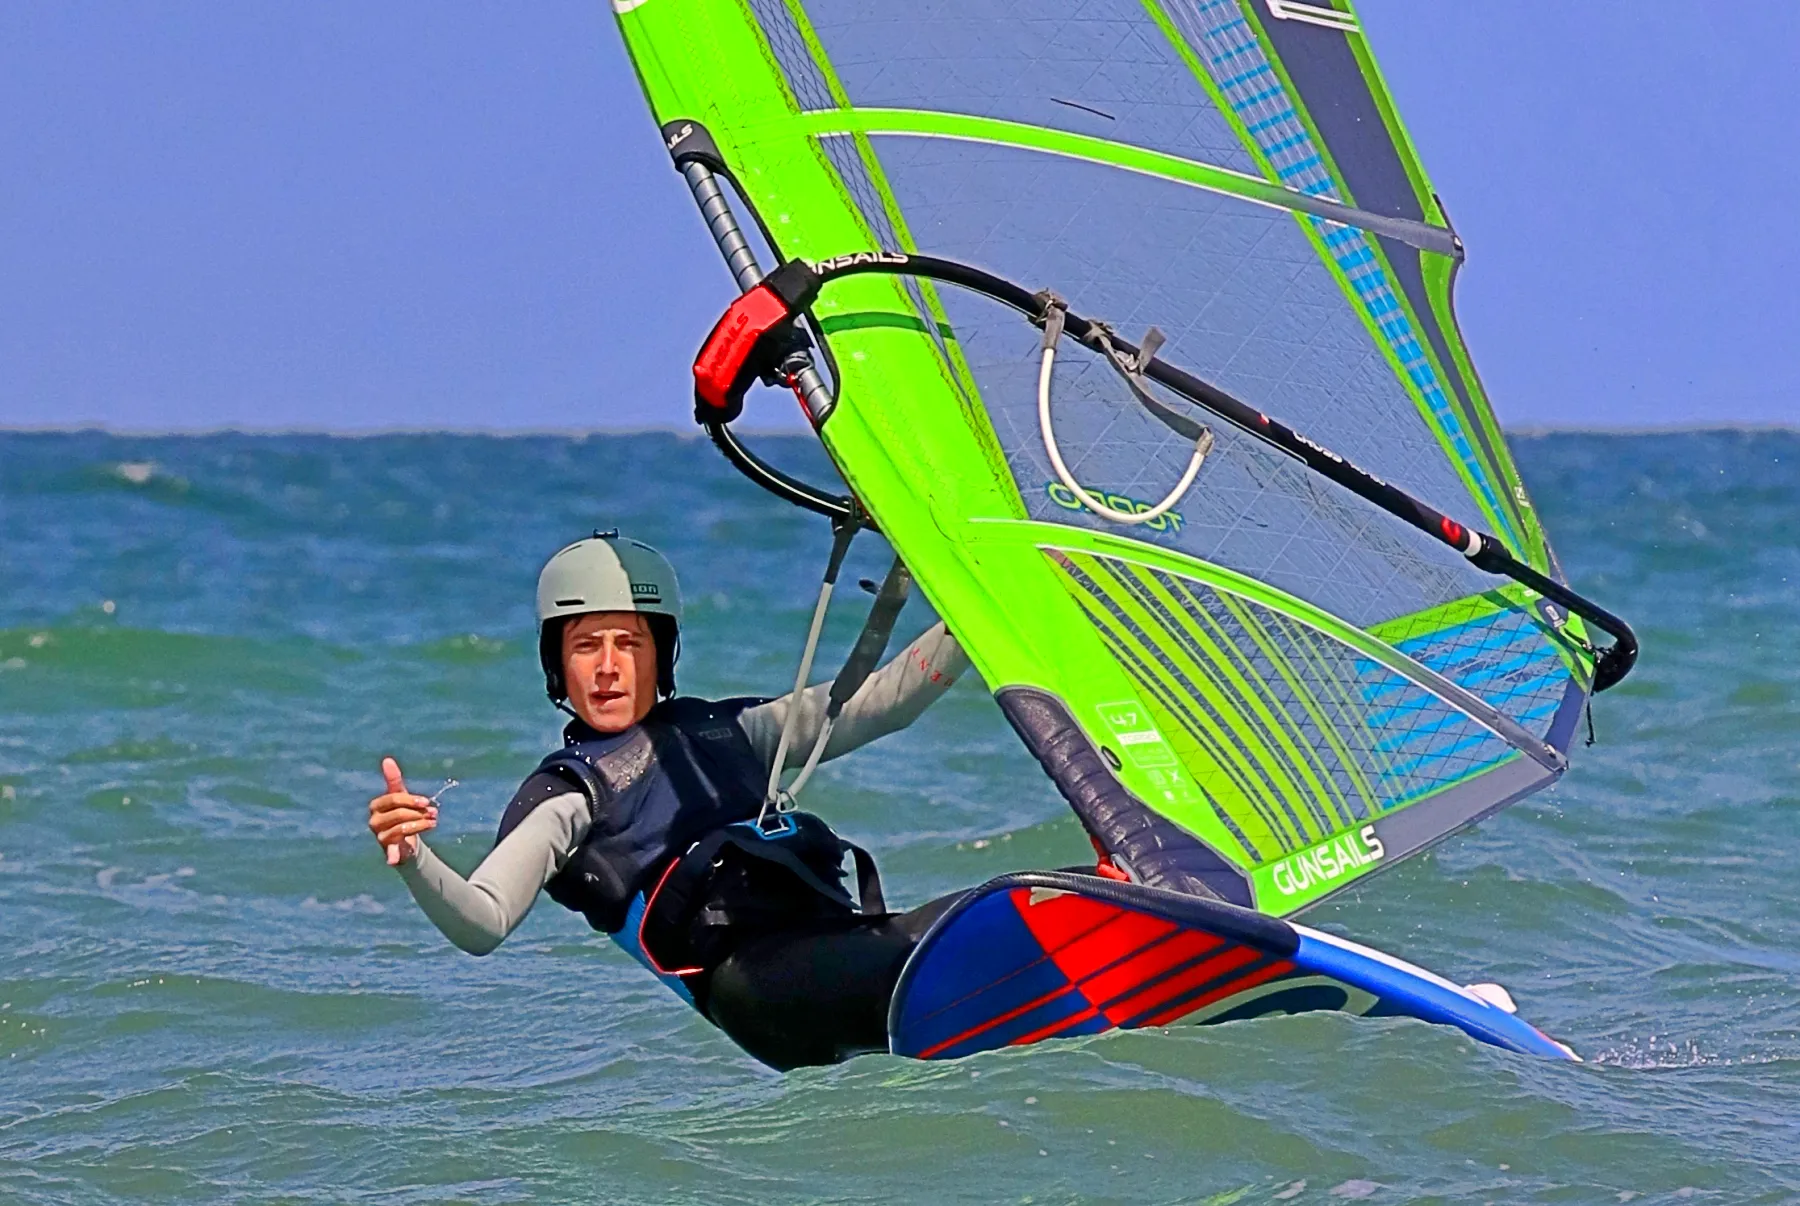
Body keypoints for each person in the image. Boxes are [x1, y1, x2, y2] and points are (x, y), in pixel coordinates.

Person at [367, 531, 972, 1069]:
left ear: (661, 655)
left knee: (1016, 903)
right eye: (585, 646)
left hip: (837, 946)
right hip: (760, 991)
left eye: (629, 644)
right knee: (954, 941)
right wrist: (414, 858)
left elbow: (887, 701)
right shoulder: (569, 796)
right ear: (557, 665)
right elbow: (484, 922)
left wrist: (980, 608)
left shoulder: (733, 730)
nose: (608, 667)